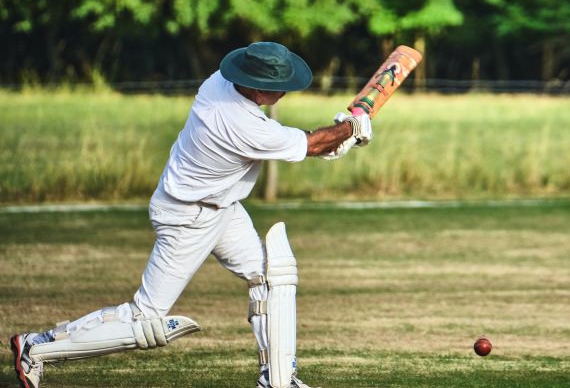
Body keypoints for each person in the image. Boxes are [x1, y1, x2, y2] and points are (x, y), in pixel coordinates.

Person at [9, 42, 371, 388]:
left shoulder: (220, 82)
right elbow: (308, 144)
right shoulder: (238, 123)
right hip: (188, 218)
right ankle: (36, 347)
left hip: (220, 208)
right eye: (279, 88)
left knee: (272, 277)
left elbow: (307, 144)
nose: (285, 94)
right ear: (259, 91)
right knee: (145, 320)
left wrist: (340, 135)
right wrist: (351, 126)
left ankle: (277, 379)